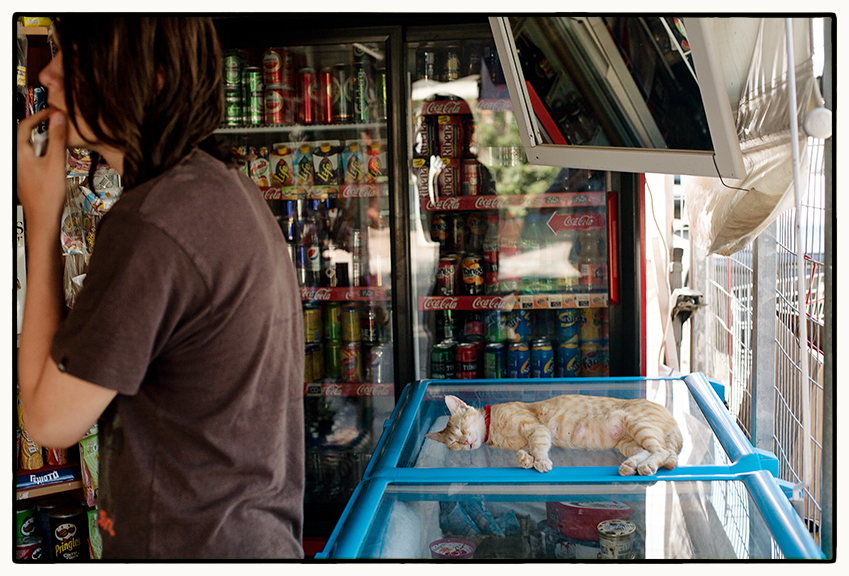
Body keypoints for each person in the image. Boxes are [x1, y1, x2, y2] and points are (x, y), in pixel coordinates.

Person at [16, 16, 305, 559]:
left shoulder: (150, 221)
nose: (50, 74)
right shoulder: (223, 187)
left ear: (151, 78)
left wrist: (43, 216)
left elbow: (51, 419)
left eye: (72, 57)